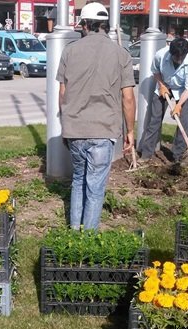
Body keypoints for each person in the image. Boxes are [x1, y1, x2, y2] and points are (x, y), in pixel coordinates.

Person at [56, 2, 136, 230]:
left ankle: (74, 231)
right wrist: (130, 131)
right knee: (95, 187)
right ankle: (88, 240)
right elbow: (128, 98)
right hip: (103, 130)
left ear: (84, 25)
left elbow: (63, 94)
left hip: (76, 130)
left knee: (79, 180)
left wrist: (66, 125)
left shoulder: (69, 51)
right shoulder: (121, 54)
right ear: (105, 25)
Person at [139, 37, 188, 163]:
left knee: (183, 122)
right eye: (176, 57)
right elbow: (155, 71)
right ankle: (146, 154)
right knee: (155, 120)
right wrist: (161, 85)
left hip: (183, 91)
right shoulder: (160, 55)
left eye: (181, 57)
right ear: (171, 53)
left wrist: (179, 105)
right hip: (164, 86)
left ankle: (178, 156)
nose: (179, 60)